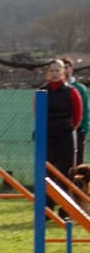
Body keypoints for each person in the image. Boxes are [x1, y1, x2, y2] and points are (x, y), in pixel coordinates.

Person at [38, 58, 83, 217]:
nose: (55, 73)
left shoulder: (72, 91)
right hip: (47, 136)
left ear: (64, 72)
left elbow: (78, 116)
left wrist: (69, 128)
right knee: (45, 173)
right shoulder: (42, 91)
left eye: (58, 70)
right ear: (47, 73)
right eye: (52, 70)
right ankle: (46, 208)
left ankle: (65, 209)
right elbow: (37, 113)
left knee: (66, 173)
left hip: (65, 136)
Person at [64, 56, 88, 164]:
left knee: (77, 159)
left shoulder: (79, 88)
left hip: (78, 129)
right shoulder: (56, 89)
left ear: (72, 69)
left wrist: (84, 128)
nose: (65, 70)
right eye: (62, 68)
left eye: (67, 67)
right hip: (62, 130)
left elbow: (86, 109)